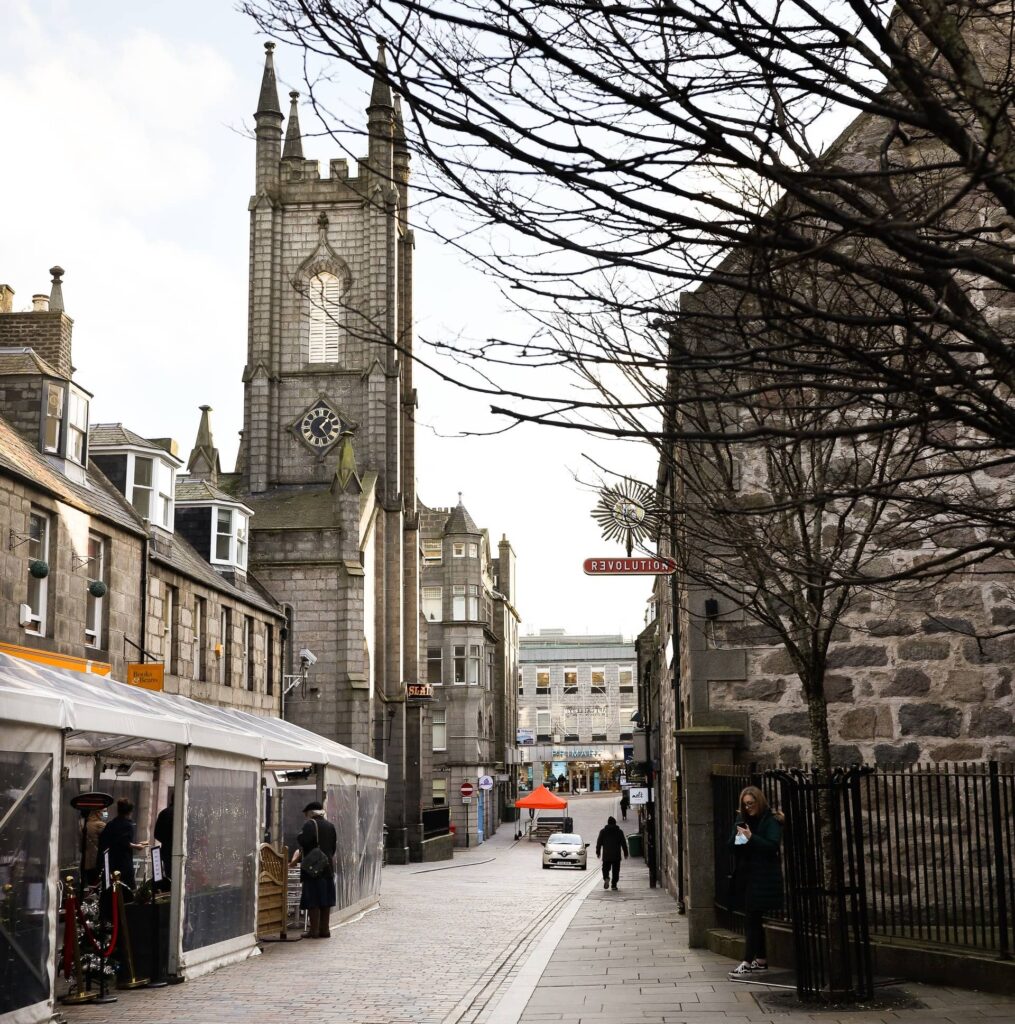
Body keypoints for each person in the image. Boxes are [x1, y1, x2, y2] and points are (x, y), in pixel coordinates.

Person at [727, 785, 784, 977]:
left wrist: (752, 837)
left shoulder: (771, 821)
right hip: (747, 876)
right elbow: (732, 847)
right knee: (753, 918)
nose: (748, 807)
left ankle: (747, 962)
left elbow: (771, 846)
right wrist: (739, 837)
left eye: (751, 803)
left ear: (759, 801)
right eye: (745, 805)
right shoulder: (743, 820)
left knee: (752, 919)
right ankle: (760, 960)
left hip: (763, 876)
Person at [289, 800, 338, 938]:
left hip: (312, 869)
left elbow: (303, 841)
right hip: (327, 867)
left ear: (311, 813)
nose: (306, 816)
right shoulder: (330, 826)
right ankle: (325, 930)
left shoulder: (310, 825)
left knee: (313, 899)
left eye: (306, 814)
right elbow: (333, 848)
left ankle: (314, 930)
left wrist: (299, 836)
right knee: (326, 900)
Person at [97, 798, 148, 914]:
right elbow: (124, 842)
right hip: (124, 863)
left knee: (110, 892)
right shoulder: (128, 825)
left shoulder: (110, 824)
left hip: (111, 863)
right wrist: (137, 846)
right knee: (127, 891)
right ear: (130, 811)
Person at [595, 815, 629, 890]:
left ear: (608, 823)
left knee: (605, 869)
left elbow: (599, 842)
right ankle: (614, 885)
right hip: (616, 855)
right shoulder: (619, 832)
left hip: (606, 855)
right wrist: (626, 853)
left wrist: (598, 852)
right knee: (616, 870)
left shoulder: (603, 831)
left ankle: (606, 877)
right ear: (615, 823)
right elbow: (623, 843)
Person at [81, 807, 107, 886]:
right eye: (104, 811)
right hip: (97, 861)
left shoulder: (85, 824)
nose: (105, 814)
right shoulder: (100, 825)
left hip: (85, 861)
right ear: (97, 812)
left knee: (89, 885)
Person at [153, 790, 174, 891]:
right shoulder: (184, 813)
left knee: (170, 877)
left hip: (167, 852)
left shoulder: (164, 813)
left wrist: (167, 841)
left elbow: (157, 834)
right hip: (184, 852)